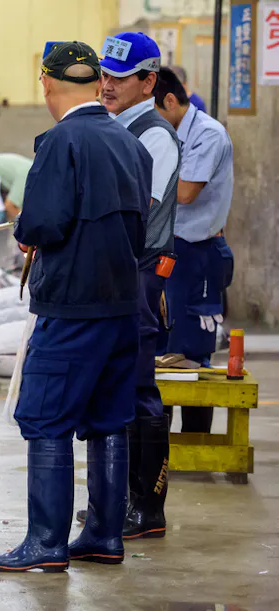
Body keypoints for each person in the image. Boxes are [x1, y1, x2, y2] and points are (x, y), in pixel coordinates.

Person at [0, 41, 152, 573]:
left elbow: (44, 222)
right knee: (109, 419)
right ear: (97, 81)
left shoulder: (61, 141)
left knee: (46, 419)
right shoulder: (131, 143)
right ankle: (104, 534)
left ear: (46, 82)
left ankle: (46, 542)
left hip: (73, 306)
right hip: (123, 304)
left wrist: (29, 232)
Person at [95, 32, 181, 541]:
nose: (107, 85)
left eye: (119, 78)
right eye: (104, 74)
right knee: (112, 384)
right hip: (113, 273)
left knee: (139, 388)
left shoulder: (153, 135)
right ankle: (115, 501)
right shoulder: (111, 125)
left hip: (142, 273)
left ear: (149, 81)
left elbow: (135, 212)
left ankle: (147, 507)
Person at [154, 66, 234, 435]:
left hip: (196, 253)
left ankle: (196, 442)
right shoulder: (166, 131)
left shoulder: (208, 134)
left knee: (191, 354)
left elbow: (185, 193)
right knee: (160, 350)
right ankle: (159, 448)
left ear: (170, 101)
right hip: (167, 248)